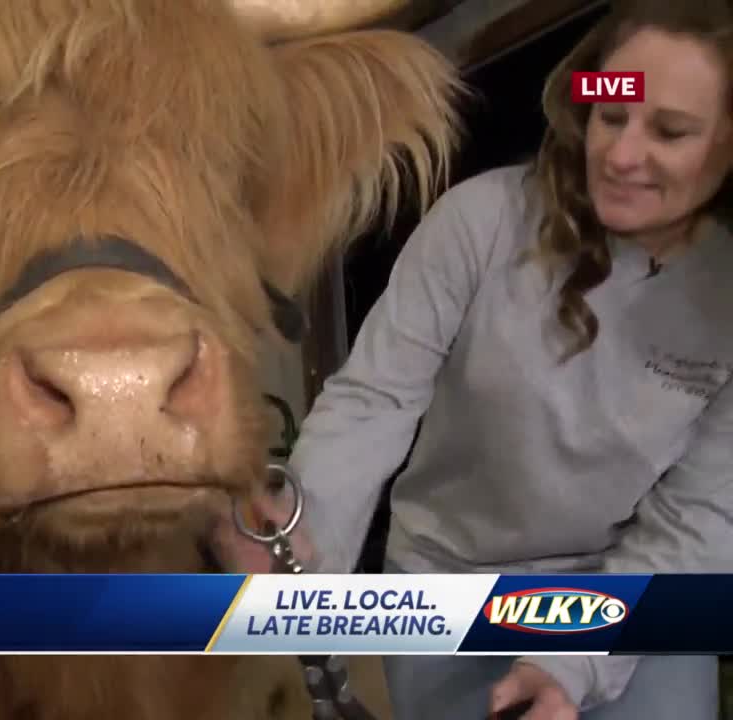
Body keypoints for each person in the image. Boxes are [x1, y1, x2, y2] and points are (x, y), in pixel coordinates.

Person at [278, 0, 732, 717]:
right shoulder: (479, 222)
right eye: (611, 117)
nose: (619, 155)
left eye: (670, 131)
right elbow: (375, 401)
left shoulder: (724, 293)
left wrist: (574, 664)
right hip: (450, 575)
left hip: (626, 584)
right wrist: (300, 553)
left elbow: (700, 519)